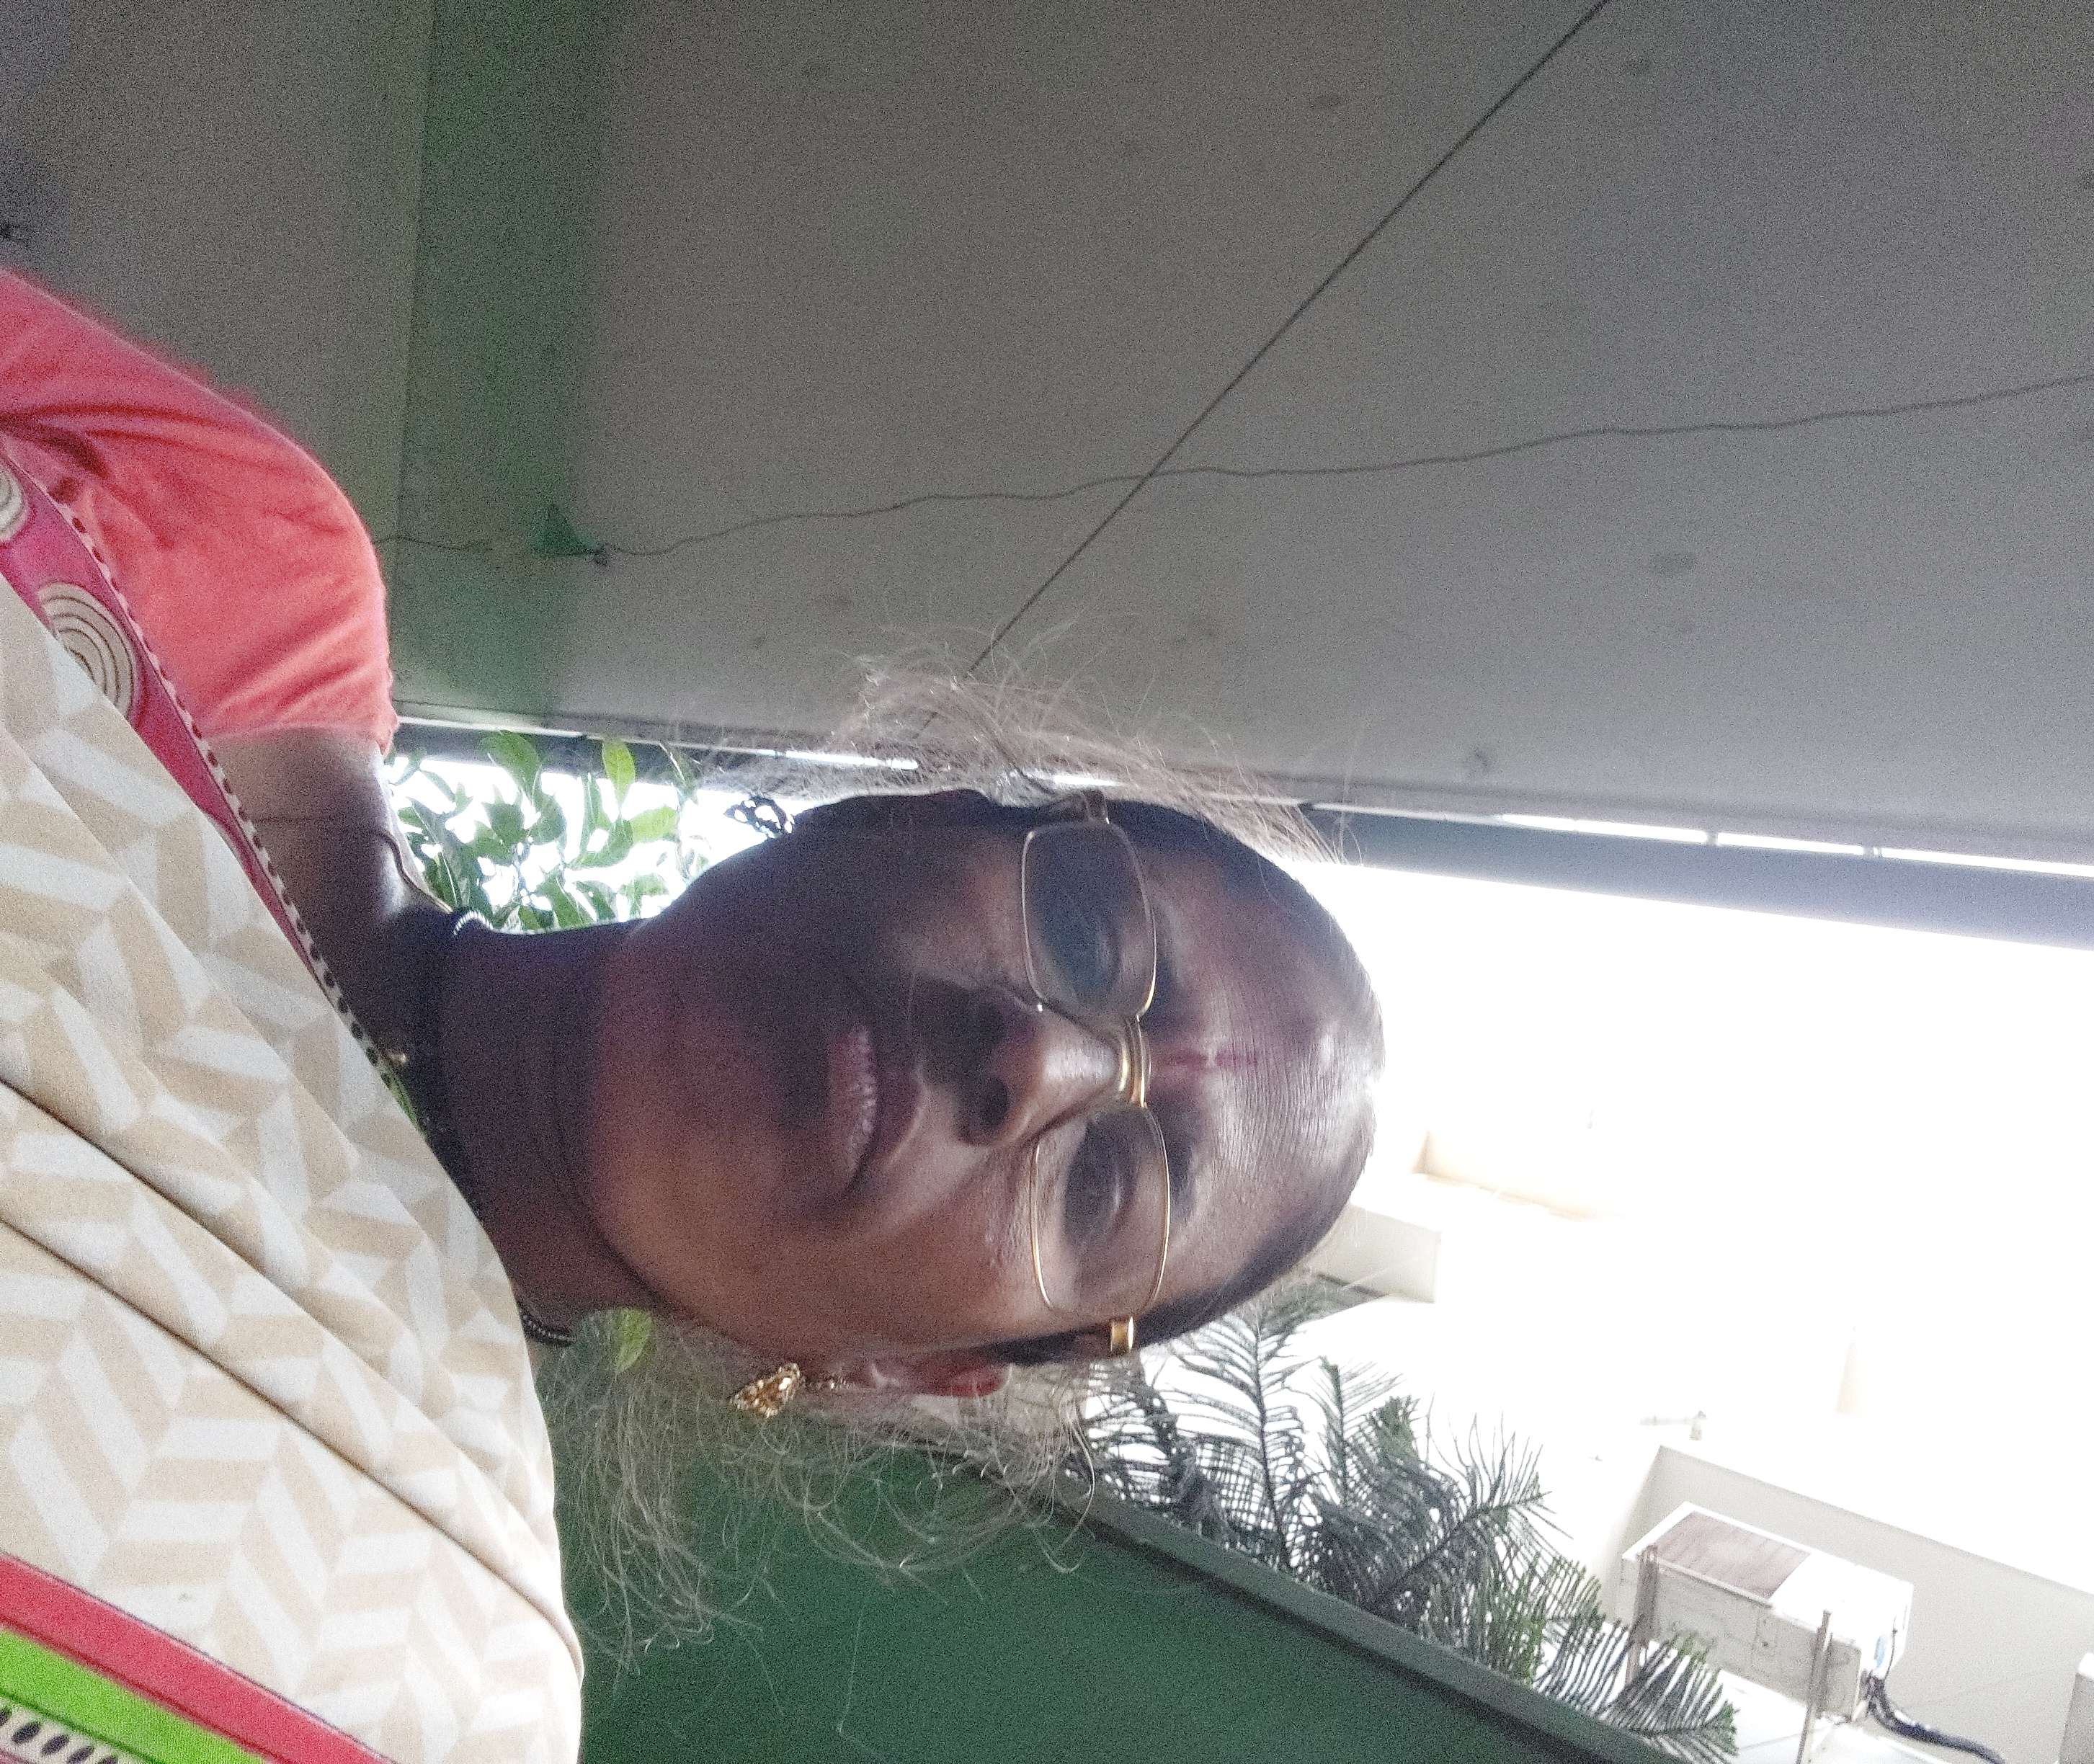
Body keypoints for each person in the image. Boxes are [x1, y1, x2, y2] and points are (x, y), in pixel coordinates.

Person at [0, 271, 1381, 1759]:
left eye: (1106, 1185)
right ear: (898, 816)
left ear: (906, 1372)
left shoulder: (408, 1674)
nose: (1036, 1059)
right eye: (1090, 931)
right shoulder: (249, 555)